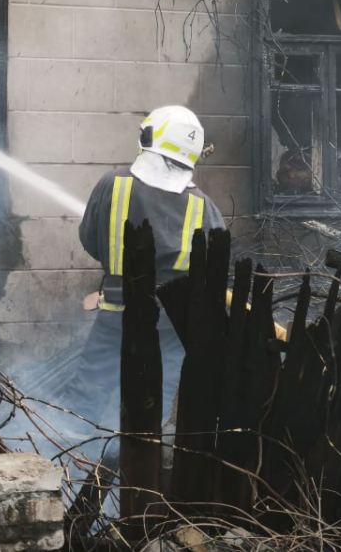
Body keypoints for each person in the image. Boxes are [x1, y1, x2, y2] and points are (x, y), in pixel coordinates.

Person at [61, 105, 227, 426]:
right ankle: (149, 455)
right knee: (158, 403)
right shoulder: (205, 208)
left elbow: (90, 240)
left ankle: (76, 451)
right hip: (171, 327)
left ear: (149, 138)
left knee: (86, 400)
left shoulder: (112, 184)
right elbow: (215, 273)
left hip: (116, 316)